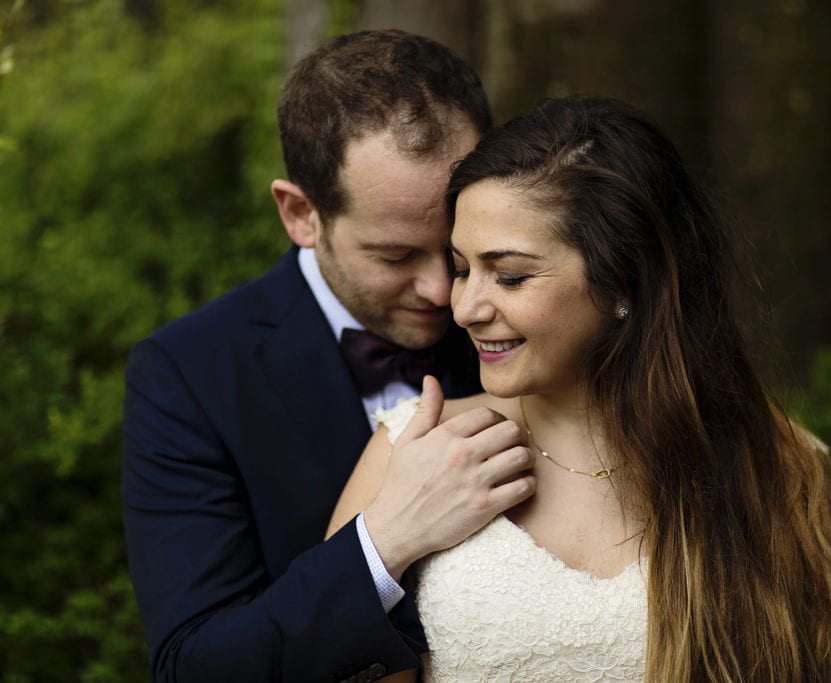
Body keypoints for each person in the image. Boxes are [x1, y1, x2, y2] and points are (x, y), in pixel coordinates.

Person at [328, 96, 831, 681]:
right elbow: (327, 653)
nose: (464, 307)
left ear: (623, 282)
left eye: (509, 276)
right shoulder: (414, 451)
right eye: (463, 269)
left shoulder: (777, 467)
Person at [122, 30, 537, 683]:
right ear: (300, 214)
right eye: (396, 256)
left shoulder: (534, 323)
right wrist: (385, 540)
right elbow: (193, 666)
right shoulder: (189, 375)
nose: (444, 292)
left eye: (455, 247)